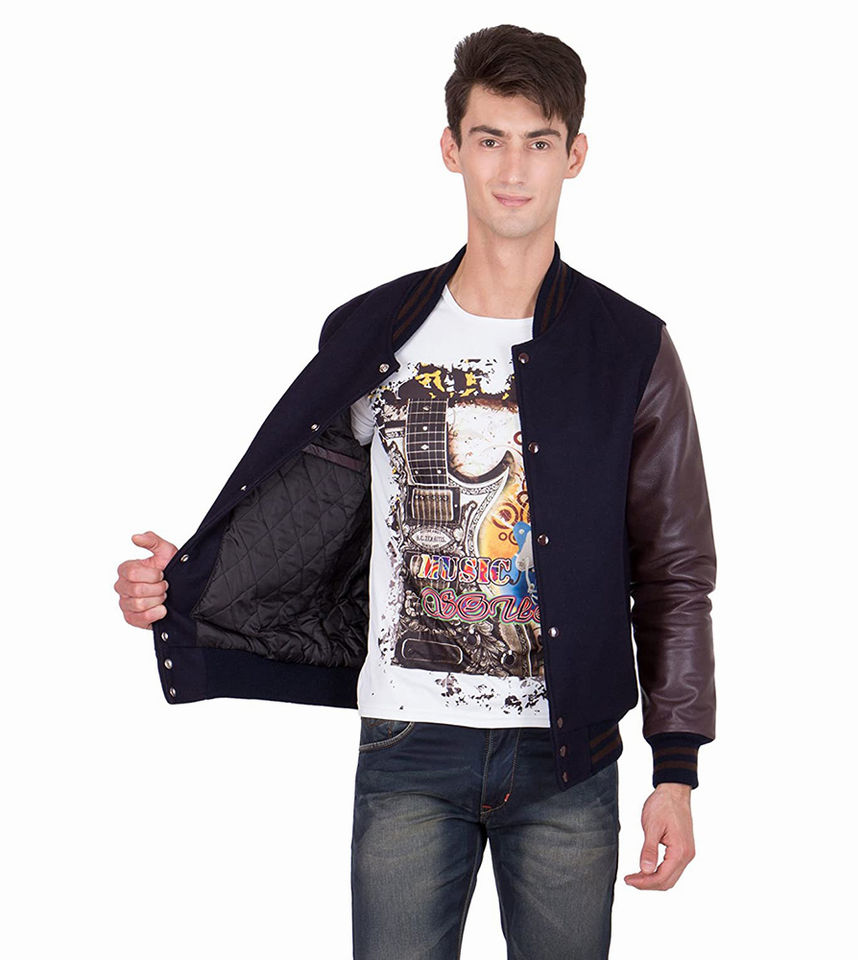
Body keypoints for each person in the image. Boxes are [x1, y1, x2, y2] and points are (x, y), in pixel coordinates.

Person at [114, 24, 717, 960]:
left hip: (569, 759)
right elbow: (304, 506)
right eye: (489, 138)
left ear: (575, 156)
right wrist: (190, 577)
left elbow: (674, 571)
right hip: (408, 746)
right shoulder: (373, 331)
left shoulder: (630, 348)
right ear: (451, 148)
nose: (512, 168)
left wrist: (674, 768)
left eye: (539, 141)